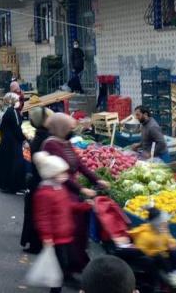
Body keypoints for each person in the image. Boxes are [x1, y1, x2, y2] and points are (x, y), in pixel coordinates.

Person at [43, 113, 110, 273]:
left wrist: (97, 180)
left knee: (78, 230)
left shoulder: (65, 143)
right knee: (68, 231)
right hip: (59, 193)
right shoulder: (50, 145)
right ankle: (66, 267)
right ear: (60, 128)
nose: (70, 130)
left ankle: (76, 262)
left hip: (72, 192)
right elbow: (60, 174)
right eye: (68, 128)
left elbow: (80, 165)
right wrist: (81, 189)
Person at [32, 152, 93, 293]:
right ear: (52, 174)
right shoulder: (45, 194)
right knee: (59, 267)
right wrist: (46, 236)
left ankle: (57, 286)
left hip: (65, 235)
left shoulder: (60, 189)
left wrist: (84, 206)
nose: (65, 175)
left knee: (64, 265)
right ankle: (55, 290)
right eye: (61, 173)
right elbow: (43, 218)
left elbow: (68, 206)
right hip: (55, 238)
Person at [128, 208, 176, 288]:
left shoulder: (162, 230)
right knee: (159, 256)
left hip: (165, 254)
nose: (163, 224)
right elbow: (141, 250)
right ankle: (171, 276)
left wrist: (173, 243)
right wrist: (156, 252)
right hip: (152, 258)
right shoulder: (144, 234)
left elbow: (169, 239)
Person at [21, 107, 53, 254]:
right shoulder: (44, 138)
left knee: (34, 213)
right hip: (41, 181)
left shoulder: (40, 135)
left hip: (36, 180)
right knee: (39, 213)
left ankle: (35, 243)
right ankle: (37, 244)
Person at [0, 93, 26, 193]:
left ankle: (5, 185)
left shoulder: (7, 111)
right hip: (13, 143)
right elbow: (17, 128)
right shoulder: (13, 112)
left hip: (6, 141)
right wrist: (24, 138)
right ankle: (14, 187)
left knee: (6, 163)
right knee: (15, 163)